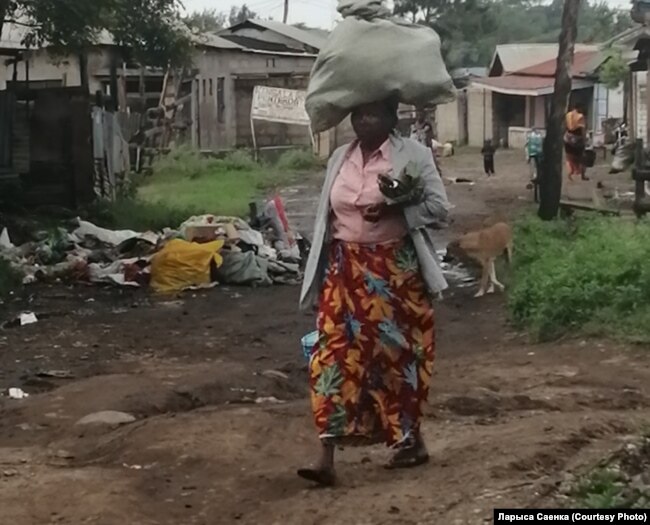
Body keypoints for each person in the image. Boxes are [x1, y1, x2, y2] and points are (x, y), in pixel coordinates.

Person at [298, 97, 450, 486]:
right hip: (343, 271)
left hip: (393, 275)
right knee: (330, 355)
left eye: (374, 114)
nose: (364, 121)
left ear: (391, 117)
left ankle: (410, 439)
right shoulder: (340, 158)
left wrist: (395, 210)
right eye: (358, 114)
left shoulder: (412, 155)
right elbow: (327, 215)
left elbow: (440, 208)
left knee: (396, 357)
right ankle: (325, 456)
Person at [564, 104, 588, 181]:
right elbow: (582, 130)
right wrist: (585, 139)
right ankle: (583, 176)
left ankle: (570, 173)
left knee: (569, 158)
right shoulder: (580, 116)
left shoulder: (568, 115)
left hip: (568, 138)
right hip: (578, 139)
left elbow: (564, 126)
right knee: (582, 157)